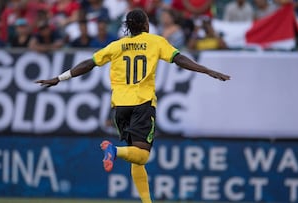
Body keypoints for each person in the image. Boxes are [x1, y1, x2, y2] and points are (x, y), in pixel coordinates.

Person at [36, 8, 230, 203]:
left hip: (120, 107)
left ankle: (147, 201)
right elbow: (179, 59)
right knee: (142, 156)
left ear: (128, 27)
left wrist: (59, 78)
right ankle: (114, 150)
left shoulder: (117, 46)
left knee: (136, 156)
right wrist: (206, 70)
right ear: (146, 24)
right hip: (142, 104)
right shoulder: (155, 42)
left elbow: (89, 63)